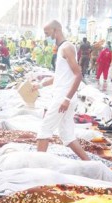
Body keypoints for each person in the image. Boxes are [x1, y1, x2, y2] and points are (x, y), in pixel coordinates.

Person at [33, 20, 89, 161]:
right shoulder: (62, 48)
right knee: (67, 136)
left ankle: (36, 167)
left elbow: (78, 75)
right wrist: (40, 85)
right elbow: (59, 76)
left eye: (47, 33)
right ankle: (89, 164)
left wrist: (67, 99)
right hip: (63, 97)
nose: (46, 36)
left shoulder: (66, 48)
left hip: (63, 98)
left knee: (44, 130)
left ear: (55, 30)